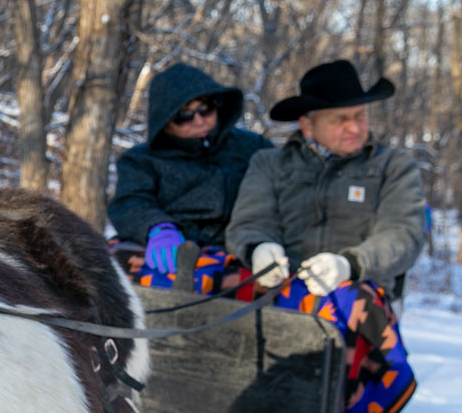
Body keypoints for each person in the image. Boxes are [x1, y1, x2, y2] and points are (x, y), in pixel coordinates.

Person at [226, 59, 426, 302]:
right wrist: (258, 248)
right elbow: (249, 223)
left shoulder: (393, 166)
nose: (354, 127)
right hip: (280, 289)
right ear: (308, 126)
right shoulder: (269, 164)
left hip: (360, 293)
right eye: (339, 119)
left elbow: (402, 235)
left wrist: (349, 265)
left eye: (360, 116)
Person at [107, 63, 273, 276]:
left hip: (237, 252)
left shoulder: (252, 148)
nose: (199, 120)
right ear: (165, 121)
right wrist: (158, 227)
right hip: (171, 252)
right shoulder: (141, 159)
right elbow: (130, 201)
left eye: (206, 109)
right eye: (184, 115)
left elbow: (283, 185)